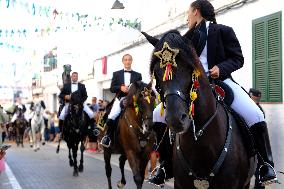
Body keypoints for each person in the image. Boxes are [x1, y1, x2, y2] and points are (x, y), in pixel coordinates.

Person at [149, 0, 277, 186]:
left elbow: (237, 58)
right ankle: (165, 165)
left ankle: (265, 165)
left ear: (196, 11)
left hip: (221, 82)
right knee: (157, 114)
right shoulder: (185, 39)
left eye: (188, 13)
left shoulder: (223, 31)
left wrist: (220, 68)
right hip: (192, 86)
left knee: (255, 114)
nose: (186, 18)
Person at [100, 54, 142, 148]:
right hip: (121, 99)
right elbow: (112, 88)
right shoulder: (116, 74)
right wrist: (120, 87)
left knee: (144, 114)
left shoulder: (138, 75)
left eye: (129, 60)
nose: (127, 61)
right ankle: (108, 136)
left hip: (133, 100)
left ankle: (145, 137)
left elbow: (140, 88)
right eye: (126, 60)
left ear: (131, 61)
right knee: (112, 115)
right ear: (123, 61)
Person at [58, 72, 96, 137]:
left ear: (77, 77)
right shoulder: (66, 85)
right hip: (69, 104)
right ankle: (61, 132)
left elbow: (85, 96)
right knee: (61, 116)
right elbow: (60, 95)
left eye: (76, 76)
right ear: (71, 77)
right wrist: (65, 96)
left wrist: (80, 102)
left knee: (91, 114)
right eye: (73, 76)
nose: (75, 77)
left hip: (80, 104)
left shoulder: (82, 86)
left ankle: (93, 129)